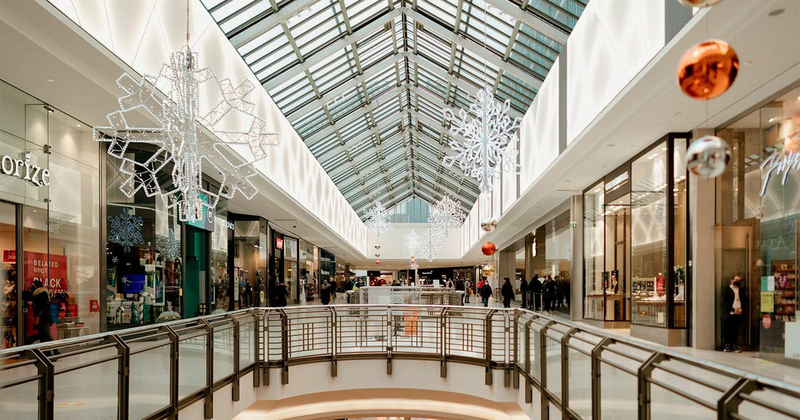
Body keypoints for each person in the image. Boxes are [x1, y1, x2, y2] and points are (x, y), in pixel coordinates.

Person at [721, 275, 746, 352]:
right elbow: (724, 301)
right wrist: (732, 309)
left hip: (739, 313)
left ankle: (734, 345)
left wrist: (741, 310)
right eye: (736, 279)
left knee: (735, 330)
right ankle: (727, 345)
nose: (737, 281)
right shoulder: (726, 289)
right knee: (728, 330)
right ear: (732, 280)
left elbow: (744, 300)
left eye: (739, 280)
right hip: (729, 313)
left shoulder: (741, 290)